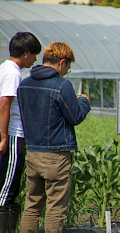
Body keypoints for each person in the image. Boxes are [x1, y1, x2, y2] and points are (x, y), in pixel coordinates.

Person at [18, 42, 91, 233]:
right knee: (56, 208)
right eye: (68, 66)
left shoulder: (25, 83)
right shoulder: (62, 85)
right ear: (62, 62)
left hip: (32, 153)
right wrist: (83, 101)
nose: (67, 71)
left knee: (32, 206)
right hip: (56, 156)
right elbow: (75, 117)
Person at [0, 32, 41, 233]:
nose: (35, 60)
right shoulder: (13, 73)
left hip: (10, 133)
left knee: (9, 186)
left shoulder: (3, 68)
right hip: (15, 135)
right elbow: (5, 106)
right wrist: (5, 136)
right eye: (34, 55)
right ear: (26, 52)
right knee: (7, 188)